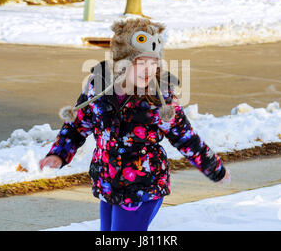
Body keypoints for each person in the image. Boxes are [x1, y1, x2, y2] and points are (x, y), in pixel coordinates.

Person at [39, 17, 230, 231]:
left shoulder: (159, 97)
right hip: (108, 185)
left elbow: (184, 136)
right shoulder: (98, 89)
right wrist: (58, 153)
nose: (148, 69)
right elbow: (77, 126)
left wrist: (214, 168)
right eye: (141, 63)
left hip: (144, 187)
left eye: (153, 62)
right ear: (122, 62)